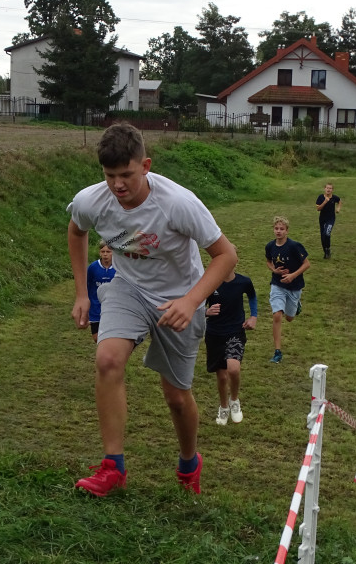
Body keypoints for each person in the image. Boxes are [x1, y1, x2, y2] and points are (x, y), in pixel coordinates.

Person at [68, 123, 238, 496]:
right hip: (128, 289)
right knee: (107, 359)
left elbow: (227, 256)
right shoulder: (91, 201)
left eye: (126, 174)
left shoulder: (178, 204)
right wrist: (82, 293)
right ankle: (113, 467)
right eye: (110, 176)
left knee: (176, 397)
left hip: (180, 297)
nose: (118, 185)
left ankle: (189, 463)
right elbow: (76, 231)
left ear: (145, 165)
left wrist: (192, 300)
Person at [205, 267, 257, 426]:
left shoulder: (244, 281)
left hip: (235, 331)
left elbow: (252, 296)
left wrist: (253, 316)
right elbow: (195, 302)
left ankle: (234, 400)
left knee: (233, 369)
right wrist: (206, 312)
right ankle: (223, 407)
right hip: (214, 334)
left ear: (234, 262)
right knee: (221, 377)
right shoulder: (209, 282)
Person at [264, 216, 310, 364]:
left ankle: (296, 306)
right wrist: (274, 271)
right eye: (276, 228)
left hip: (294, 286)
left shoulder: (294, 246)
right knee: (277, 315)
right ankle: (277, 351)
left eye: (281, 229)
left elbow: (307, 264)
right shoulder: (270, 246)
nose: (278, 231)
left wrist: (292, 276)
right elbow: (268, 261)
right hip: (277, 285)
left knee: (289, 318)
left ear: (287, 231)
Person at [86, 240, 116, 342]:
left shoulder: (118, 268)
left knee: (111, 337)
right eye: (103, 252)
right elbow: (86, 286)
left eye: (108, 252)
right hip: (96, 309)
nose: (105, 254)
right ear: (99, 253)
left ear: (113, 253)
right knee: (97, 338)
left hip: (113, 309)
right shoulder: (92, 268)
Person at [314, 183, 342, 259]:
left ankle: (328, 249)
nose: (328, 189)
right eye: (327, 188)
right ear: (324, 189)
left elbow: (339, 200)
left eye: (330, 188)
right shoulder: (320, 197)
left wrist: (338, 208)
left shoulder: (334, 197)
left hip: (331, 219)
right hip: (322, 219)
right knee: (323, 236)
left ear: (332, 190)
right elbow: (318, 209)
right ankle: (326, 252)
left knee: (327, 233)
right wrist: (325, 201)